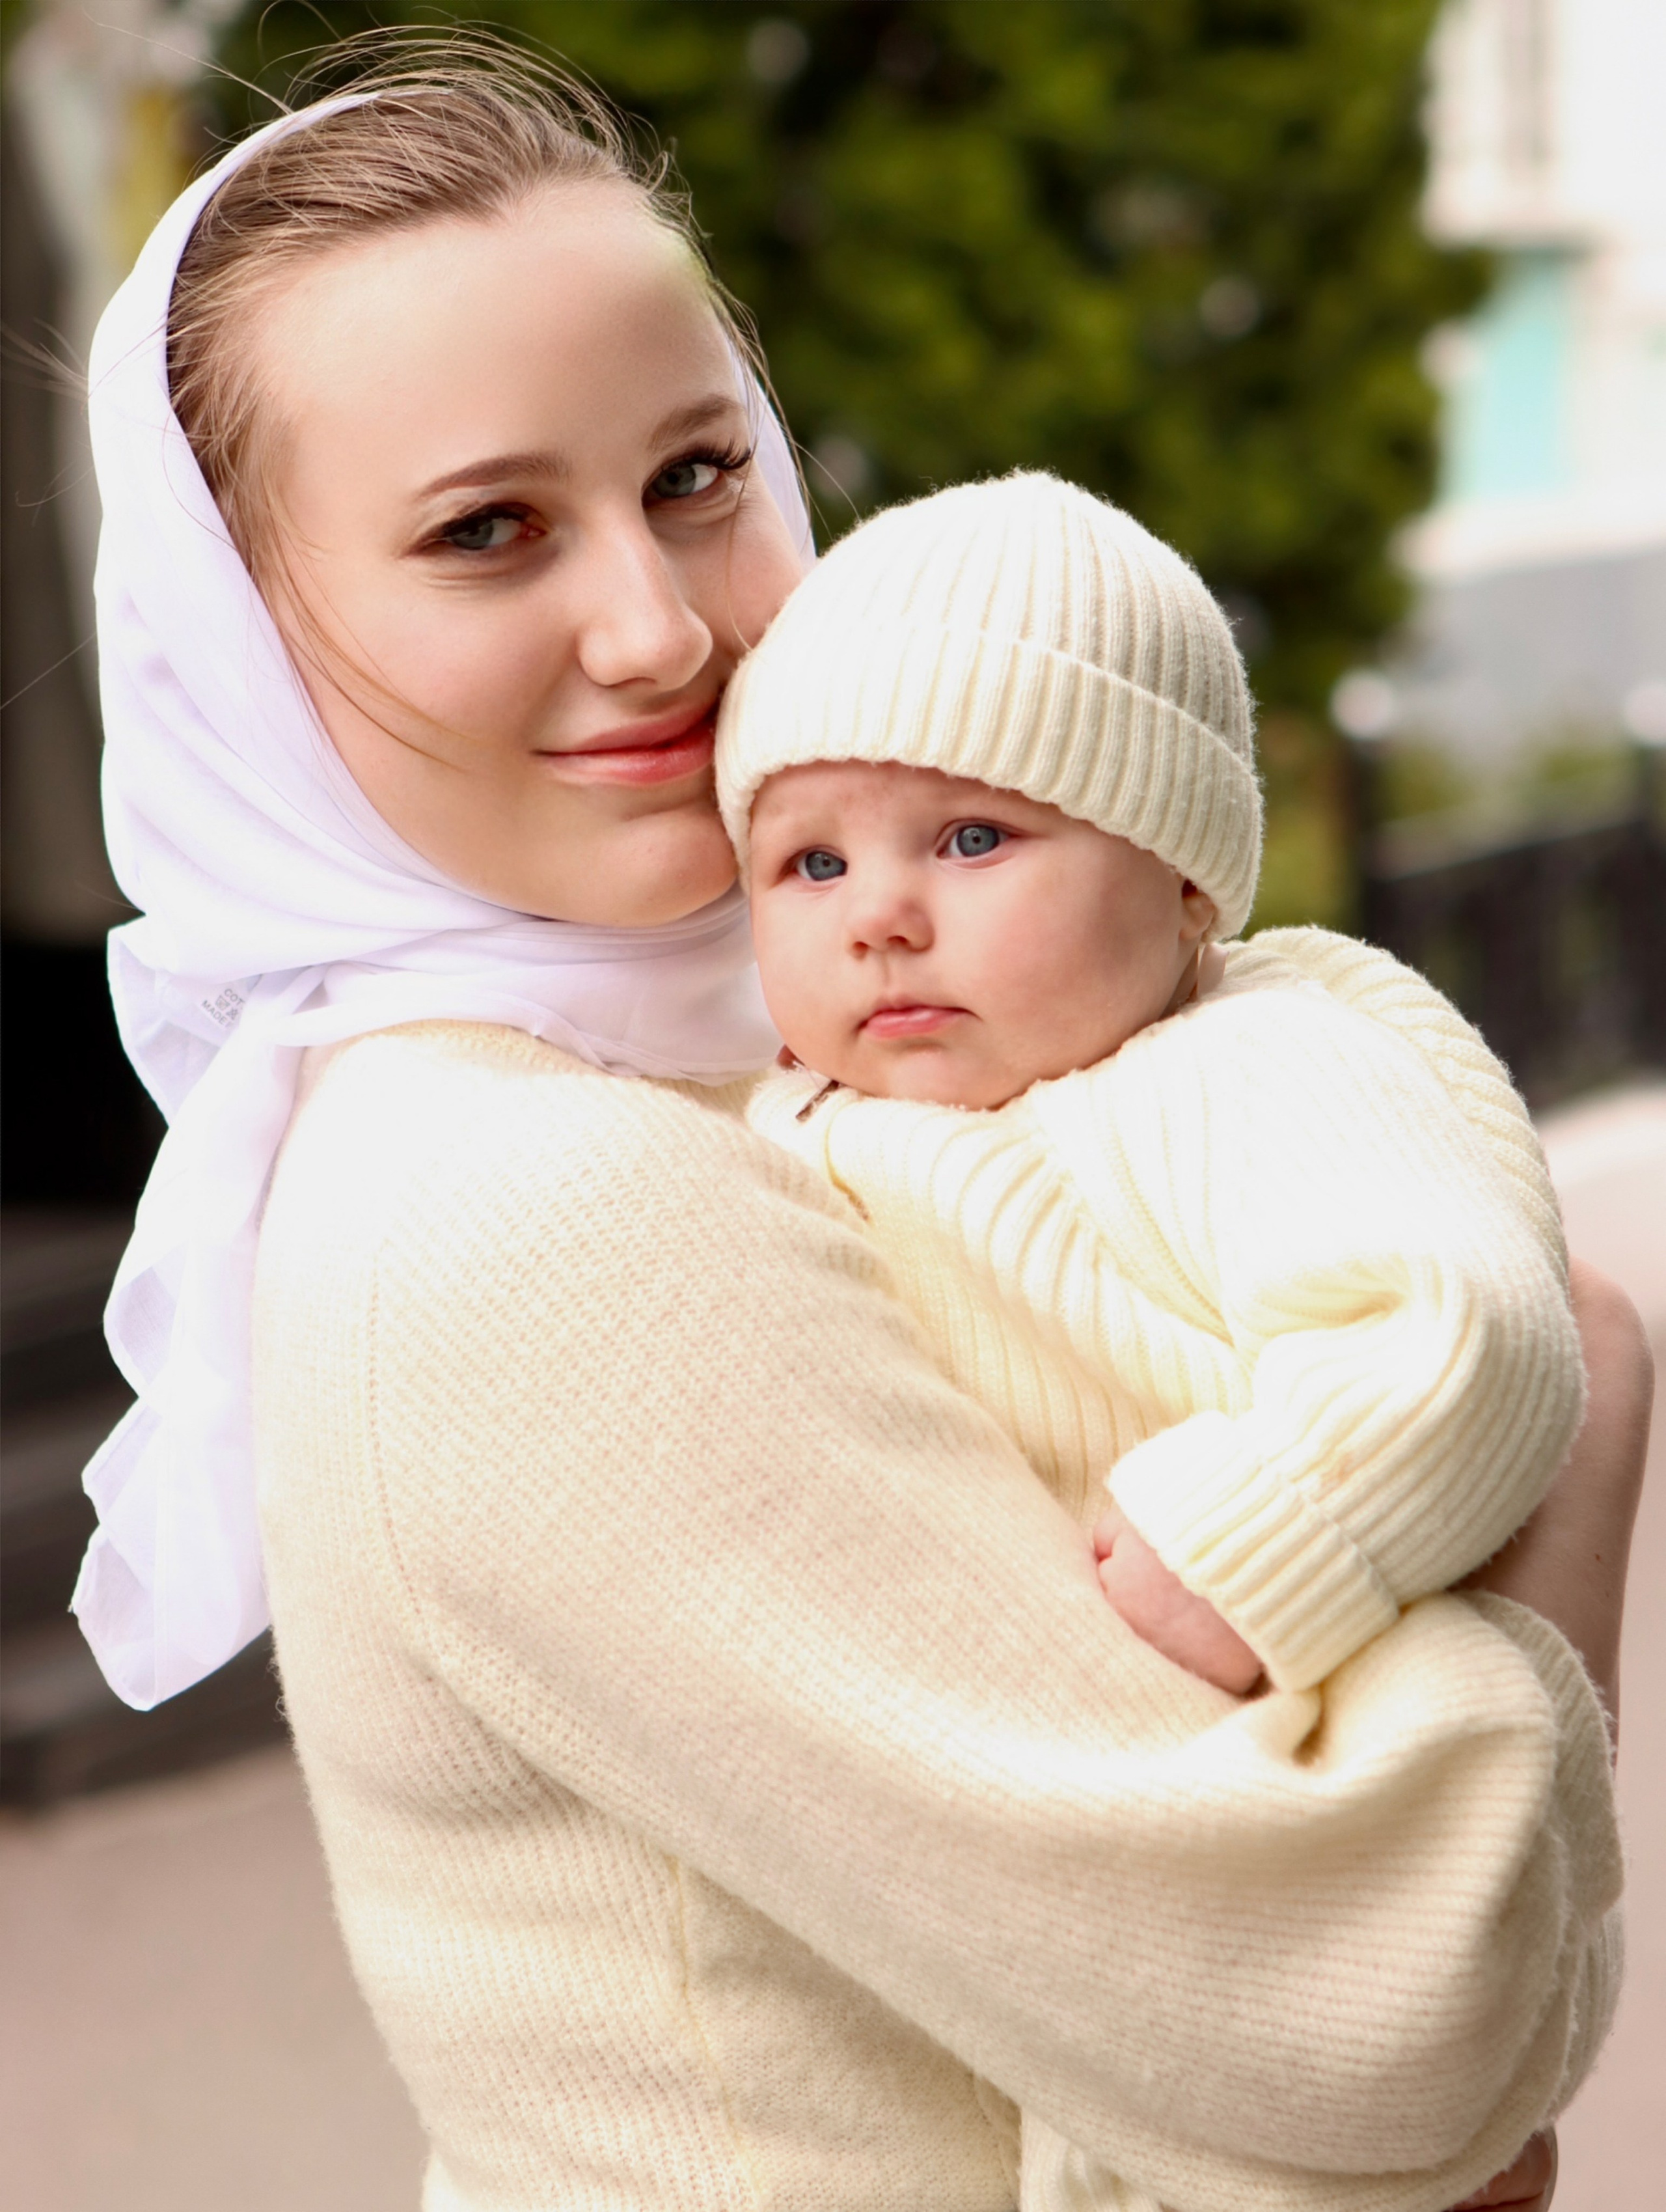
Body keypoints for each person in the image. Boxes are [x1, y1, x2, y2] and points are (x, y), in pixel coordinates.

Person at [72, 42, 1648, 2212]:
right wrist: (1563, 1437)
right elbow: (1378, 2026)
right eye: (488, 531)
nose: (660, 628)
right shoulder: (522, 1210)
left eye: (700, 477)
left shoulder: (761, 1066)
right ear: (238, 647)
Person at [716, 470, 1595, 2206]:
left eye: (971, 839)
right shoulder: (804, 1123)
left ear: (1185, 878)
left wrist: (1265, 1532)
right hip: (1077, 1854)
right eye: (809, 861)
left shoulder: (1248, 1070)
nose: (879, 912)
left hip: (1320, 1776)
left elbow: (1468, 1332)